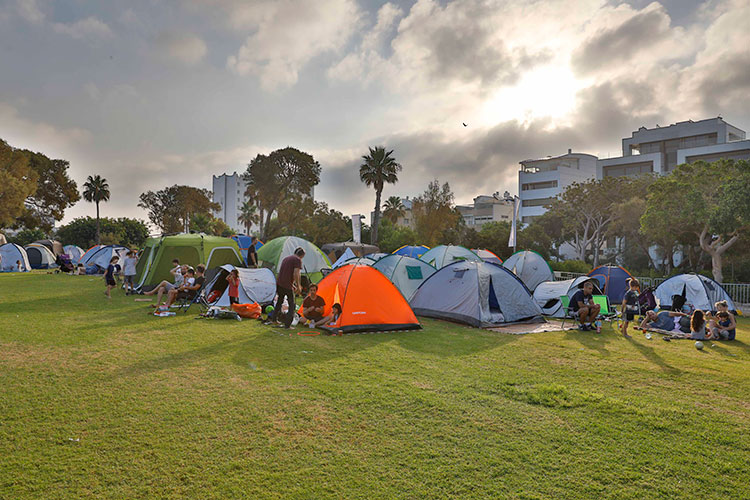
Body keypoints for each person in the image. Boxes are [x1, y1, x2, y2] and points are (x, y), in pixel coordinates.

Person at [265, 247, 305, 329]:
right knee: (291, 305)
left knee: (280, 301)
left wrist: (292, 284)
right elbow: (296, 273)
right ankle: (287, 325)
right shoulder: (297, 260)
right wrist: (298, 285)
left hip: (280, 283)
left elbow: (285, 272)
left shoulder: (286, 258)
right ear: (302, 255)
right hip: (287, 285)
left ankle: (274, 319)